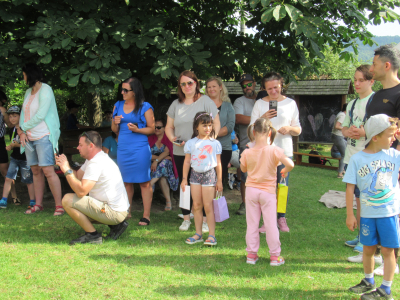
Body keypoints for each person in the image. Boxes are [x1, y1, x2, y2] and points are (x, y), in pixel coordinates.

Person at [344, 114, 400, 300]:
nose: (394, 138)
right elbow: (350, 187)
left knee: (387, 251)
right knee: (367, 249)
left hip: (389, 214)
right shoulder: (357, 159)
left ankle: (386, 290)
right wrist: (350, 215)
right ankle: (369, 281)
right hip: (367, 214)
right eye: (390, 135)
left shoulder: (394, 155)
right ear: (375, 137)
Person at [165, 70, 220, 232]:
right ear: (179, 86)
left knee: (202, 187)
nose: (187, 86)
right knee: (185, 185)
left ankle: (203, 220)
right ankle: (186, 218)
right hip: (181, 151)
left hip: (202, 154)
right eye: (183, 84)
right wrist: (173, 139)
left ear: (196, 84)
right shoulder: (176, 104)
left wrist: (209, 141)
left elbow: (216, 123)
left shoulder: (206, 101)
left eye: (190, 83)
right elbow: (169, 127)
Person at [55, 131, 129, 245]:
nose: (77, 147)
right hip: (116, 210)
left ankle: (93, 235)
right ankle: (116, 225)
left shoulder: (96, 162)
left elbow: (81, 191)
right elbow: (77, 176)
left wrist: (66, 170)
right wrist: (64, 165)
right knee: (77, 204)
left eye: (80, 145)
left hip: (113, 212)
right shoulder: (94, 159)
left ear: (91, 146)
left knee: (67, 200)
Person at [250, 72, 301, 232]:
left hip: (284, 152)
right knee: (267, 188)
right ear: (264, 88)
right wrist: (262, 119)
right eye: (269, 89)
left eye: (276, 87)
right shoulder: (259, 104)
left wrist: (290, 128)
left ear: (281, 85)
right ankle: (268, 221)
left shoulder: (290, 103)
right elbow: (251, 130)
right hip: (264, 153)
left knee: (283, 186)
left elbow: (298, 129)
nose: (273, 91)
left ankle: (281, 218)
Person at [240, 117, 294, 265]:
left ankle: (251, 255)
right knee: (270, 225)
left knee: (252, 224)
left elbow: (243, 169)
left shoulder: (247, 152)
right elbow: (290, 163)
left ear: (254, 132)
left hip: (251, 191)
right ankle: (275, 256)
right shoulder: (274, 150)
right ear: (269, 133)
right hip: (268, 193)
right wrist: (285, 170)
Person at [18, 63, 63, 216]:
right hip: (29, 137)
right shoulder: (27, 92)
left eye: (24, 74)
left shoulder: (46, 90)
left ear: (30, 75)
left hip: (43, 135)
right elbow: (24, 113)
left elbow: (40, 115)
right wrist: (22, 131)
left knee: (48, 170)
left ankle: (59, 206)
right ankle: (38, 204)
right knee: (35, 171)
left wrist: (23, 127)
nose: (23, 77)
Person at [342, 65, 377, 260]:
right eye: (355, 80)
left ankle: (367, 240)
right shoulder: (352, 103)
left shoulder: (376, 101)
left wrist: (365, 132)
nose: (356, 84)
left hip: (369, 158)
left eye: (361, 80)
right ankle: (361, 236)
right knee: (357, 199)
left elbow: (384, 129)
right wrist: (349, 132)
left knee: (367, 200)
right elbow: (344, 128)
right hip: (351, 157)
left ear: (372, 81)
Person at [112, 77, 155, 225]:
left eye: (126, 90)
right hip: (123, 148)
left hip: (140, 148)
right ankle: (127, 212)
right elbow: (114, 130)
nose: (122, 92)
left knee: (144, 182)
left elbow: (152, 128)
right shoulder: (117, 105)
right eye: (122, 89)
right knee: (126, 182)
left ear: (134, 92)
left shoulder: (145, 107)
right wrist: (115, 123)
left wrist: (138, 130)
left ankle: (146, 215)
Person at [181, 112, 222, 246]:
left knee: (208, 206)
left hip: (209, 175)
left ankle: (211, 235)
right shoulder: (191, 143)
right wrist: (184, 179)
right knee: (196, 205)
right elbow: (187, 162)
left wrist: (220, 180)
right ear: (196, 127)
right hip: (194, 176)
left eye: (210, 125)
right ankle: (198, 234)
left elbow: (218, 163)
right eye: (204, 125)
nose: (207, 128)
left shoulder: (215, 143)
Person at [0, 106, 35, 208]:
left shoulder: (25, 128)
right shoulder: (12, 129)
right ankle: (4, 200)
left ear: (21, 116)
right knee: (8, 178)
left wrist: (16, 145)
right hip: (14, 158)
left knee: (28, 180)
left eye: (15, 116)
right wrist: (11, 146)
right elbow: (13, 142)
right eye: (10, 117)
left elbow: (28, 145)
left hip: (25, 160)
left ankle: (32, 200)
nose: (12, 119)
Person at [233, 74, 257, 216]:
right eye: (244, 85)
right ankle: (245, 203)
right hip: (246, 145)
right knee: (245, 176)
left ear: (254, 84)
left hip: (264, 145)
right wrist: (261, 118)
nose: (246, 87)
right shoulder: (239, 101)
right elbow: (239, 118)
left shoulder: (263, 99)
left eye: (249, 84)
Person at [205, 76, 235, 185]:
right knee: (206, 179)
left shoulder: (228, 106)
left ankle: (217, 201)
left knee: (219, 180)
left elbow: (230, 126)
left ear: (220, 87)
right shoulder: (204, 105)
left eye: (214, 86)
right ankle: (206, 202)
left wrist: (210, 136)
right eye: (209, 87)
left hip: (224, 148)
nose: (211, 89)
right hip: (205, 148)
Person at [148, 118, 179, 211]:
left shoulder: (168, 138)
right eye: (155, 127)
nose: (156, 129)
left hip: (166, 165)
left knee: (165, 162)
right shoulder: (150, 139)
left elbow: (167, 152)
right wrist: (158, 159)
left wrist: (156, 160)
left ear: (164, 128)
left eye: (159, 127)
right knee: (162, 176)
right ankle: (168, 201)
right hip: (152, 165)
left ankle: (151, 183)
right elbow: (146, 154)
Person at [0, 90, 18, 204]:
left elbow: (11, 124)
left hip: (0, 142)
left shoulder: (2, 110)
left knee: (5, 171)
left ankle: (14, 196)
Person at [331, 103, 347, 178]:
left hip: (338, 136)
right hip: (338, 136)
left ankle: (343, 169)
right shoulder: (343, 115)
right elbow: (337, 126)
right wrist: (345, 129)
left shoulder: (341, 114)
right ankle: (340, 173)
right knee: (345, 154)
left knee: (347, 148)